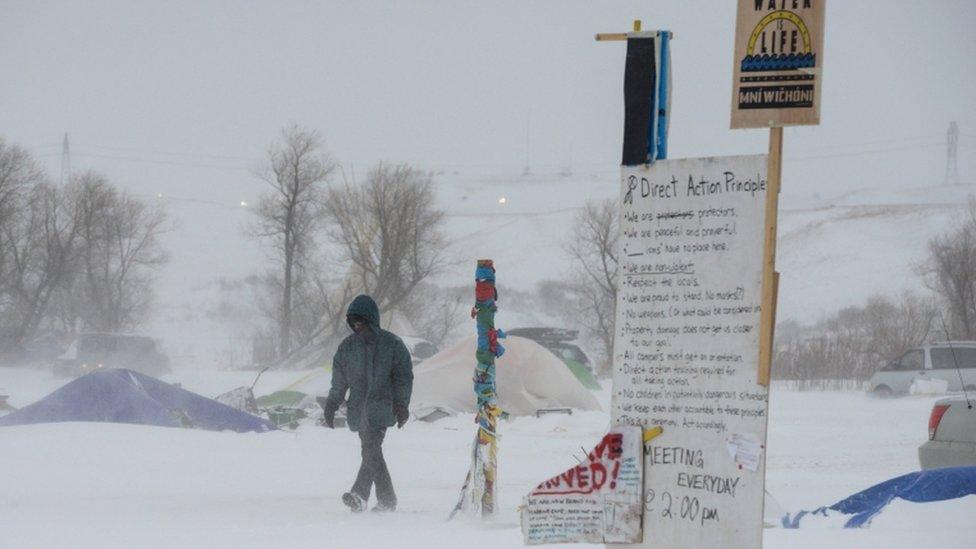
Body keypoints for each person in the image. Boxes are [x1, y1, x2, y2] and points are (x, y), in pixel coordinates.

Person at [321, 294, 413, 513]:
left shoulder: (392, 344)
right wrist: (332, 404)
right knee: (371, 452)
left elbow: (403, 377)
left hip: (382, 408)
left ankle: (363, 496)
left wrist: (401, 405)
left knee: (370, 449)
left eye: (361, 320)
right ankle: (382, 499)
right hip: (359, 410)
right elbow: (339, 380)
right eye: (355, 322)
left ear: (371, 319)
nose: (358, 325)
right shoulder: (347, 347)